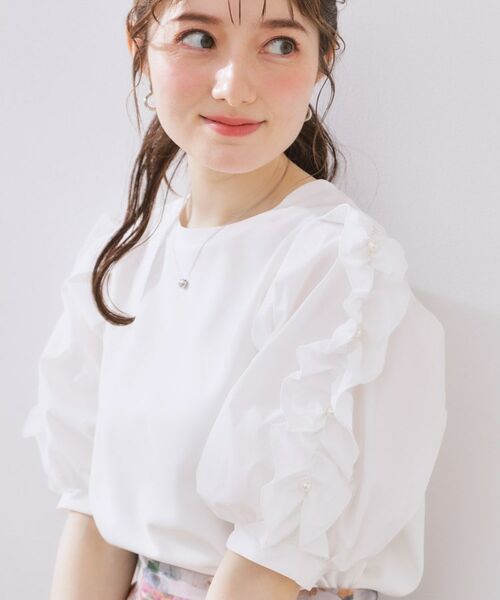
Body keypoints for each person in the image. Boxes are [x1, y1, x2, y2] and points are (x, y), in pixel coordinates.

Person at [22, 1, 448, 599]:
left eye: (280, 45)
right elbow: (92, 514)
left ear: (322, 60)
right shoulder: (125, 251)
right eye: (199, 38)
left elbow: (271, 561)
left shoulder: (341, 266)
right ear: (139, 47)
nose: (234, 87)